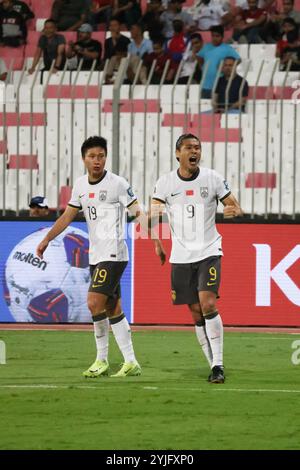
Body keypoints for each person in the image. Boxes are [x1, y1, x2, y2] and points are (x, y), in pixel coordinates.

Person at [36, 135, 165, 378]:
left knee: (93, 302)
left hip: (114, 253)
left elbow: (138, 212)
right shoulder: (81, 185)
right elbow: (67, 216)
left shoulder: (117, 183)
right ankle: (131, 362)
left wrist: (156, 241)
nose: (97, 161)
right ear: (84, 159)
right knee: (113, 307)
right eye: (92, 156)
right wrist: (46, 238)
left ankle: (101, 359)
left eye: (101, 156)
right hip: (95, 255)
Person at [151, 133, 243, 384]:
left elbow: (233, 205)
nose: (195, 152)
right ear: (177, 153)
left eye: (198, 148)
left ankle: (218, 364)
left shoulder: (212, 178)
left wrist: (232, 210)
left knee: (208, 303)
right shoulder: (165, 183)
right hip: (181, 257)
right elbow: (153, 214)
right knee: (194, 312)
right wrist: (158, 243)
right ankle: (211, 362)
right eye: (189, 148)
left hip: (209, 251)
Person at [197, 25, 240, 98]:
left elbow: (238, 60)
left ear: (222, 37)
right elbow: (199, 57)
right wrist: (202, 67)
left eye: (217, 36)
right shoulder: (207, 47)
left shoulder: (227, 48)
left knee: (218, 107)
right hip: (205, 85)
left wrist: (226, 68)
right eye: (213, 36)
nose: (215, 38)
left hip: (220, 85)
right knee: (205, 107)